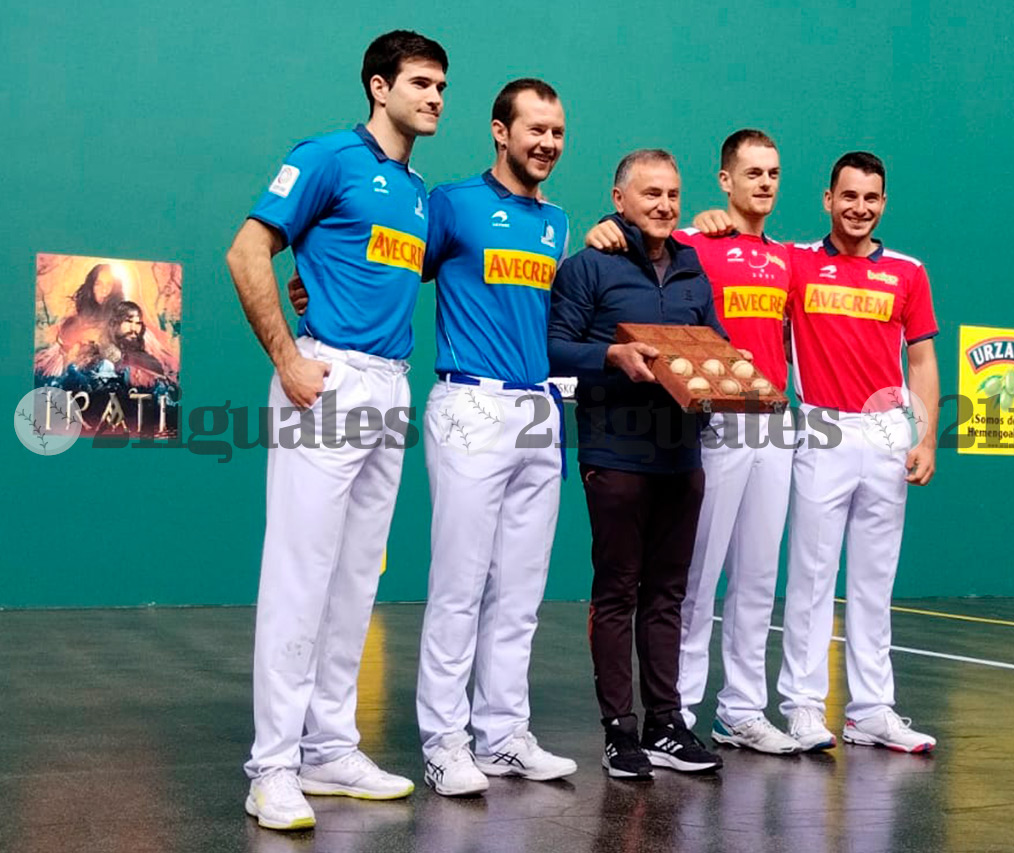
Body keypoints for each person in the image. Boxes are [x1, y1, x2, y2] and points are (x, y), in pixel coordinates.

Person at [225, 30, 447, 831]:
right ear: (379, 87)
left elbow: (353, 265)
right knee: (300, 576)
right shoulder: (326, 156)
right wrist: (290, 357)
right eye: (420, 83)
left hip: (390, 386)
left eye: (441, 86)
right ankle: (272, 768)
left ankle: (329, 747)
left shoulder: (417, 192)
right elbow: (247, 252)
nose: (435, 98)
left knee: (356, 578)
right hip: (328, 378)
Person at [584, 130, 800, 755]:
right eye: (752, 172)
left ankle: (740, 710)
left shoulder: (789, 258)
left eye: (773, 173)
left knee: (756, 577)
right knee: (690, 581)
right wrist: (604, 225)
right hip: (705, 423)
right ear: (725, 181)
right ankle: (671, 711)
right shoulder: (694, 242)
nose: (764, 183)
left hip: (767, 421)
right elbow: (635, 230)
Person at [548, 149, 734, 779]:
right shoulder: (587, 266)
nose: (664, 205)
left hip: (682, 455)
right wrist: (611, 356)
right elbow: (554, 347)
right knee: (617, 593)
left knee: (667, 596)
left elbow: (713, 343)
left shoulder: (691, 268)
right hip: (615, 454)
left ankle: (665, 725)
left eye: (672, 194)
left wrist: (726, 369)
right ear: (619, 199)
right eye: (651, 193)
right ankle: (618, 732)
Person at [414, 78, 576, 796]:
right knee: (459, 586)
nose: (547, 143)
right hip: (469, 403)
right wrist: (313, 289)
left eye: (557, 132)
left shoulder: (558, 223)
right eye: (535, 129)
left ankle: (503, 735)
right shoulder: (452, 204)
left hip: (539, 410)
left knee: (519, 591)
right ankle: (444, 743)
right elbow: (394, 271)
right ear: (500, 132)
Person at [778, 151, 940, 753]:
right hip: (823, 427)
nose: (859, 208)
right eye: (849, 196)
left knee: (875, 581)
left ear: (884, 203)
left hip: (888, 432)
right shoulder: (795, 262)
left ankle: (871, 711)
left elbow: (922, 361)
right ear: (828, 199)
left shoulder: (908, 272)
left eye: (871, 198)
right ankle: (802, 706)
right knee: (812, 577)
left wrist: (925, 437)